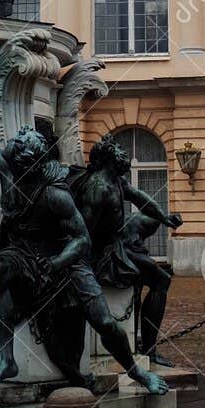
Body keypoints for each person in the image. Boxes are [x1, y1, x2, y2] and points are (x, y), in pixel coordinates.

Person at [0, 115, 167, 395]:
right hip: (23, 250)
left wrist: (56, 263)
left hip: (64, 255)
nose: (8, 150)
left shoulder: (55, 194)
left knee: (105, 322)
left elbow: (82, 240)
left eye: (15, 147)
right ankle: (7, 360)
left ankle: (136, 371)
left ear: (28, 161)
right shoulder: (8, 170)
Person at [69, 135, 183, 365]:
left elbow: (141, 200)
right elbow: (83, 231)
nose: (124, 154)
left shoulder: (115, 181)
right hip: (103, 252)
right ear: (109, 156)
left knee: (156, 269)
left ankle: (149, 348)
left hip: (116, 242)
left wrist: (164, 218)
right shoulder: (98, 188)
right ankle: (149, 349)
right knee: (161, 280)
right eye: (119, 150)